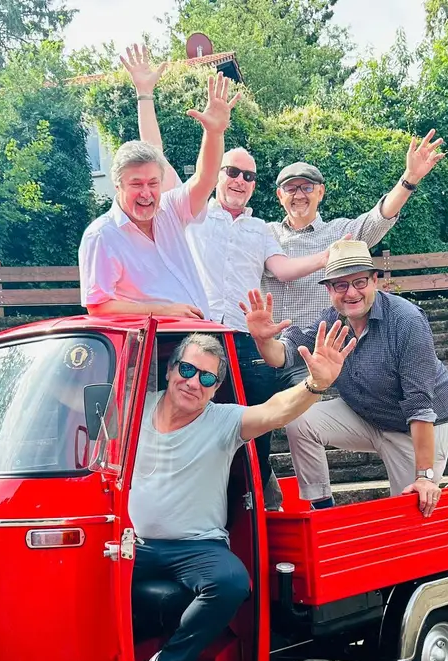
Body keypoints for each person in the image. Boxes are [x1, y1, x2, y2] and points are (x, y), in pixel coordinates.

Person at [118, 43, 330, 508]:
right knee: (191, 420)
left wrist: (327, 257)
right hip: (198, 339)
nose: (238, 180)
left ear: (256, 185)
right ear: (218, 177)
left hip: (246, 341)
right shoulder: (191, 212)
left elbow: (284, 269)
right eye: (231, 171)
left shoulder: (260, 229)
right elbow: (154, 157)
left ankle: (259, 493)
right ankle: (196, 502)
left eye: (249, 176)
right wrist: (144, 94)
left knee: (257, 427)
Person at [133, 323, 357, 661]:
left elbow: (274, 411)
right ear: (170, 369)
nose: (193, 383)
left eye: (206, 378)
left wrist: (315, 384)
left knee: (233, 581)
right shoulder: (133, 411)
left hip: (197, 546)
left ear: (216, 388)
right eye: (187, 370)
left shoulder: (222, 421)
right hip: (137, 543)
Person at [248, 240, 448, 516]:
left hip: (417, 427)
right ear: (329, 290)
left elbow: (420, 406)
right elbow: (284, 355)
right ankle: (323, 510)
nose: (351, 293)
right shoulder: (333, 319)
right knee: (299, 417)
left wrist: (425, 476)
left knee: (412, 511)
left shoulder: (406, 320)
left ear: (374, 281)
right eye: (340, 285)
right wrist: (263, 340)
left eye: (359, 282)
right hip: (365, 413)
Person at [262, 134, 448, 384]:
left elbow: (379, 218)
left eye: (306, 187)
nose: (299, 195)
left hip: (312, 355)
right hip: (262, 350)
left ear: (321, 192)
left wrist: (410, 179)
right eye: (290, 188)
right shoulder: (264, 233)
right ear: (279, 194)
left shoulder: (340, 233)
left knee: (297, 419)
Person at [77, 71, 240, 318]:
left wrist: (215, 133)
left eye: (153, 183)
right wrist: (164, 312)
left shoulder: (171, 208)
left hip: (199, 334)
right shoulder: (101, 236)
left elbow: (205, 179)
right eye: (136, 184)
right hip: (151, 347)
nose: (146, 193)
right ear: (118, 185)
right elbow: (99, 307)